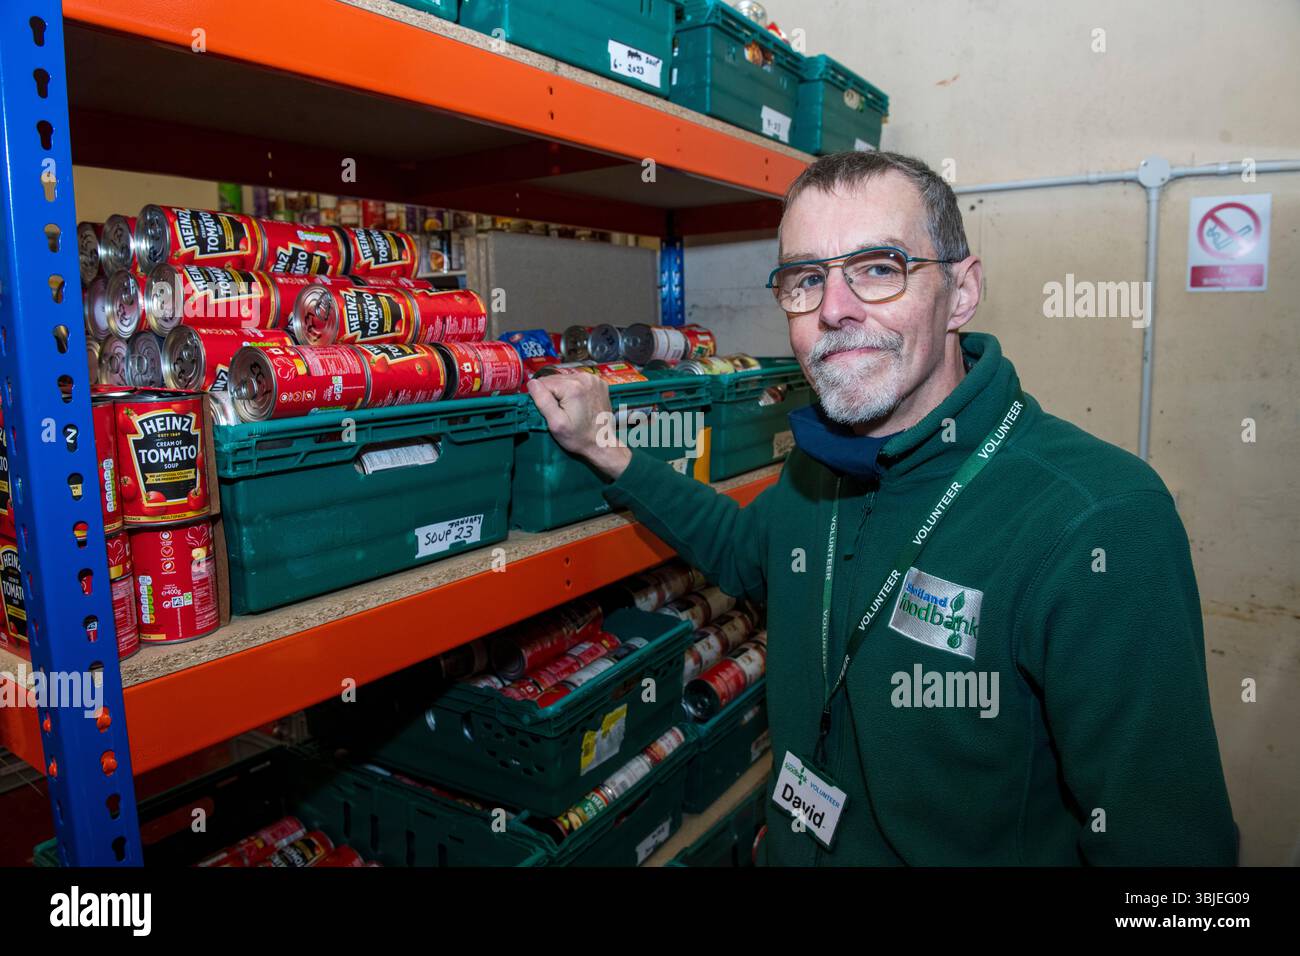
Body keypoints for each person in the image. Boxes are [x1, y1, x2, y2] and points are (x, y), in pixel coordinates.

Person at [527, 150, 1236, 866]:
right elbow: (745, 551)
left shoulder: (1097, 521)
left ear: (961, 292)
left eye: (877, 267)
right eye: (807, 278)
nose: (835, 309)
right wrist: (606, 446)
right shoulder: (828, 459)